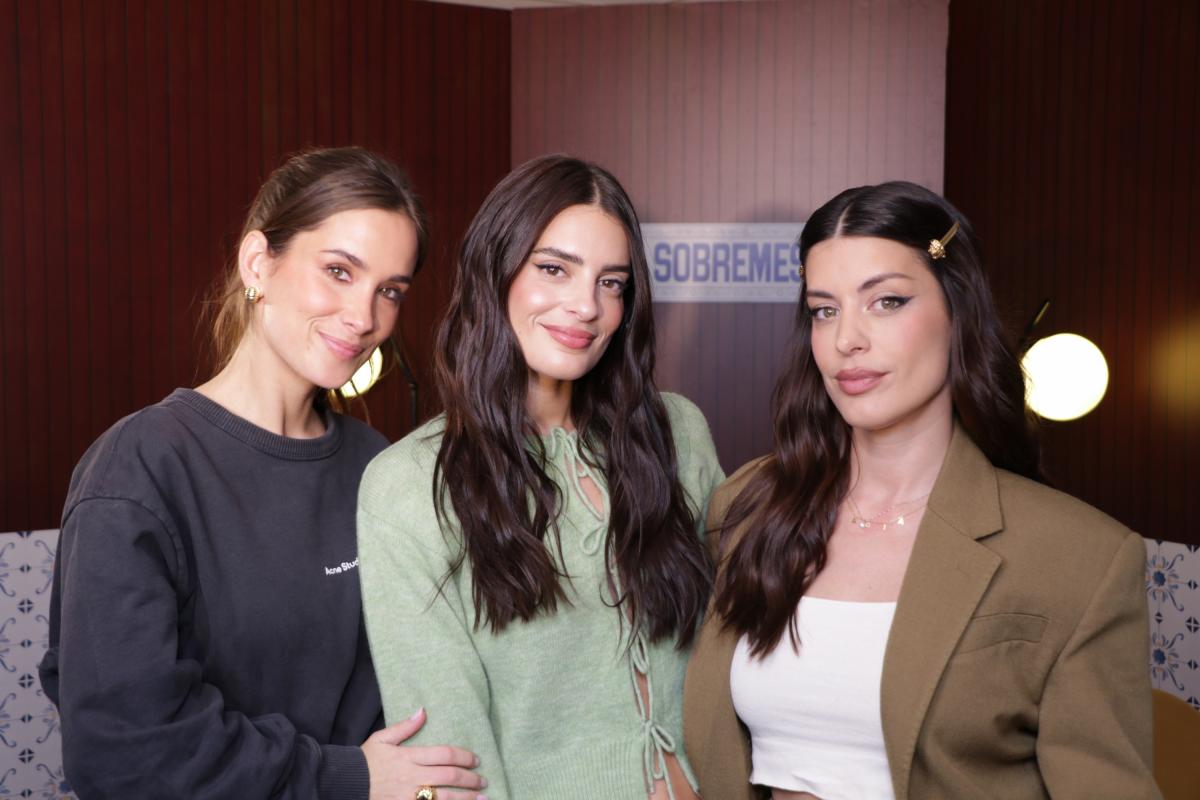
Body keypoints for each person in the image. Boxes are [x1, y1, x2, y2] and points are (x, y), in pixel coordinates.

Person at [683, 181, 1160, 800]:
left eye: (885, 302)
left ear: (956, 311)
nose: (847, 339)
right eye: (825, 310)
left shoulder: (1081, 557)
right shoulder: (748, 507)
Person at [40, 147, 486, 800]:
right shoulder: (141, 469)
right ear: (259, 263)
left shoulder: (378, 466)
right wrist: (349, 777)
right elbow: (122, 751)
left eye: (389, 291)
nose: (365, 318)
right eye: (338, 271)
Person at [356, 155, 724, 800]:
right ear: (494, 272)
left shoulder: (679, 433)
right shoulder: (410, 485)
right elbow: (450, 757)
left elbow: (739, 643)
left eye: (612, 283)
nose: (586, 307)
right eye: (554, 269)